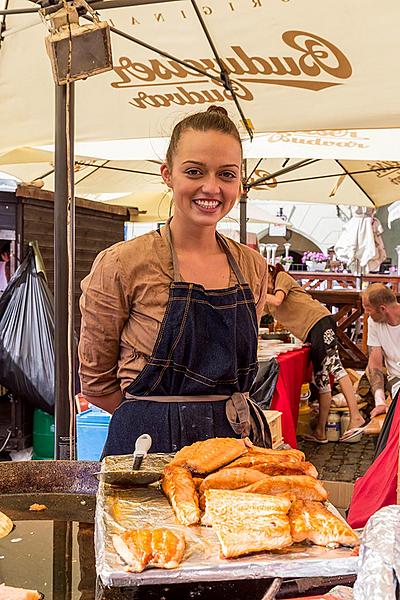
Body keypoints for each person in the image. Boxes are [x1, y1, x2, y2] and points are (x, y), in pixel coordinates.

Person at [78, 105, 271, 456]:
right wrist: (156, 416)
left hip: (234, 446)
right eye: (195, 171)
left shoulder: (252, 266)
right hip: (145, 447)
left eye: (227, 175)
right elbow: (96, 384)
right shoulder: (122, 264)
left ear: (239, 182)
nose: (211, 188)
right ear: (168, 174)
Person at [264, 263, 365, 443]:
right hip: (311, 331)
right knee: (321, 379)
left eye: (264, 281)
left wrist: (254, 295)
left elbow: (278, 300)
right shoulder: (268, 297)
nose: (265, 286)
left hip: (320, 322)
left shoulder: (282, 278)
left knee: (335, 366)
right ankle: (321, 431)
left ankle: (356, 415)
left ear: (269, 274)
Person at [347, 284, 400, 528]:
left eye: (368, 310)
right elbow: (375, 365)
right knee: (386, 449)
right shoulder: (376, 324)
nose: (366, 314)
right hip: (397, 387)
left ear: (381, 308)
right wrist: (380, 399)